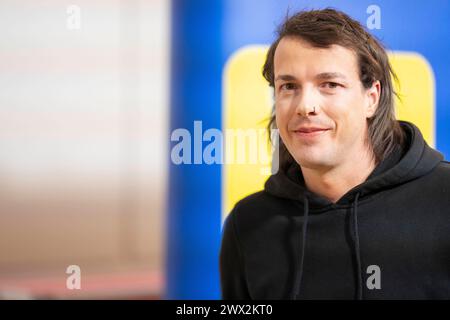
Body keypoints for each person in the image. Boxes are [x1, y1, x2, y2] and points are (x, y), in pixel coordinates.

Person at [219, 8, 450, 299]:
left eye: (330, 84)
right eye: (288, 86)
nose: (306, 105)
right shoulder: (249, 223)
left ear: (372, 98)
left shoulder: (444, 200)